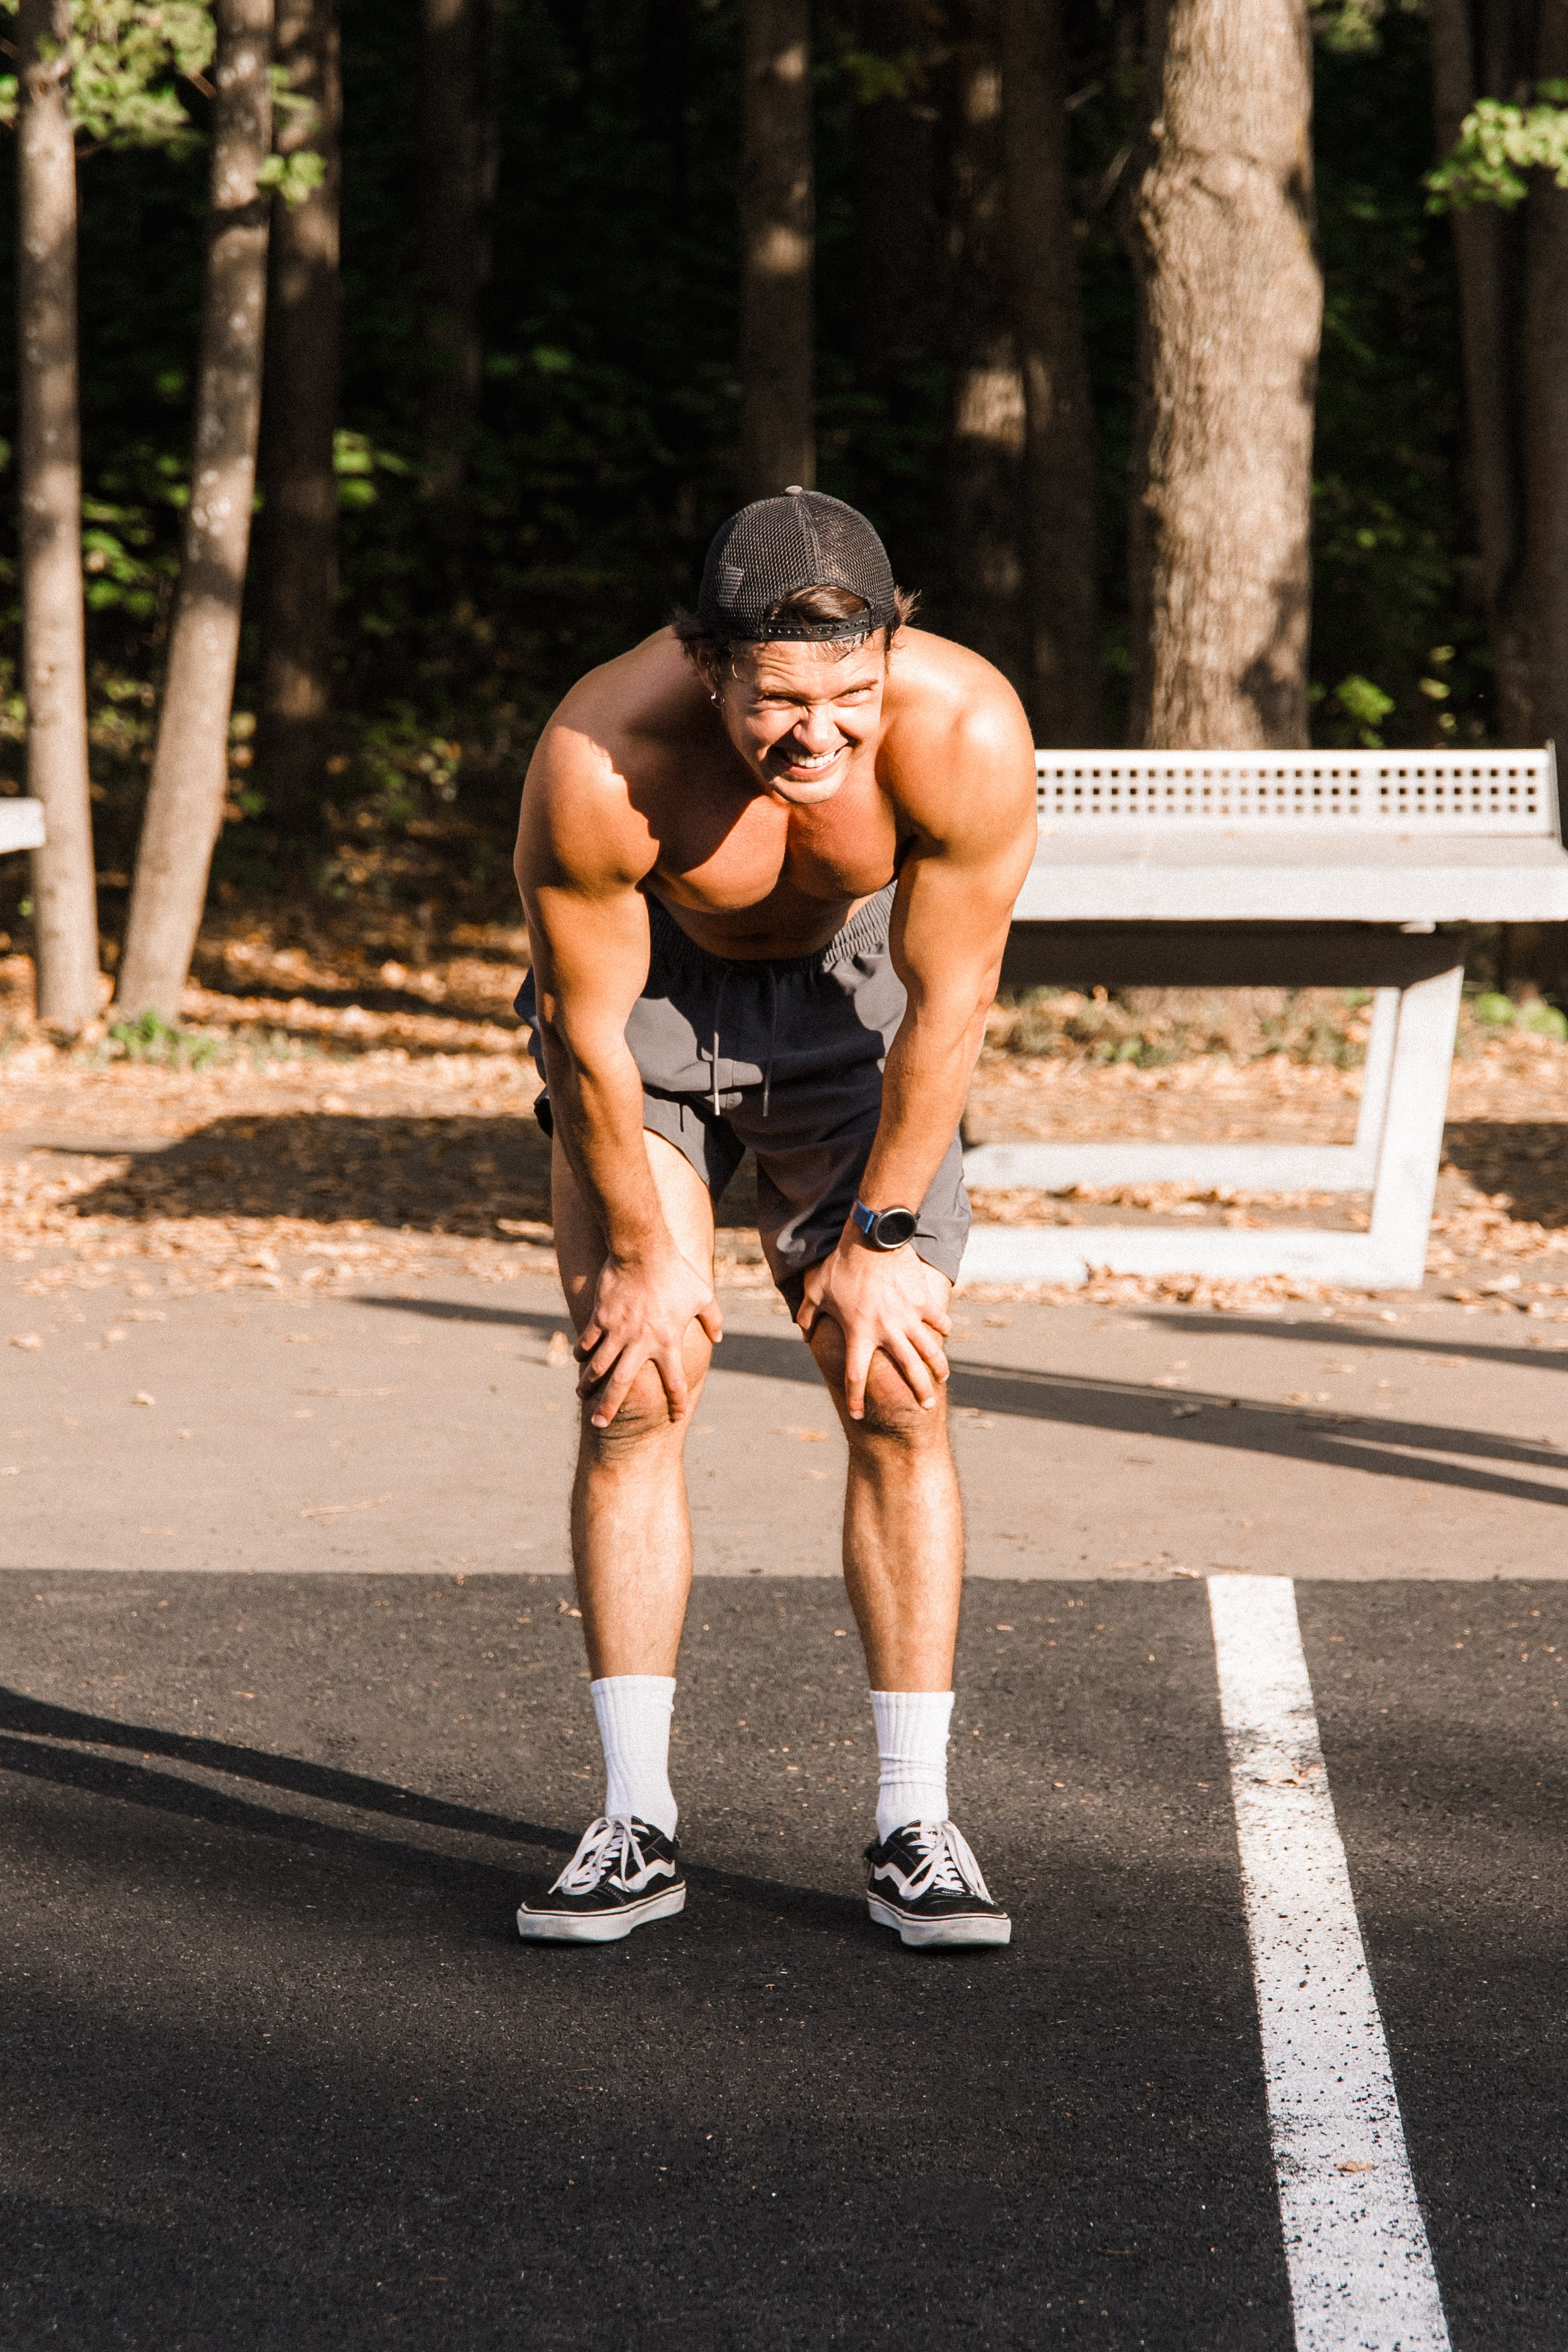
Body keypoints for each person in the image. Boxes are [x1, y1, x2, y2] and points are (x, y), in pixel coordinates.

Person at [511, 490, 1038, 1949]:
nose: (817, 738)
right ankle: (631, 1825)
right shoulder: (605, 756)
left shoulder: (963, 734)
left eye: (849, 698)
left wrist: (875, 1249)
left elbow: (950, 1002)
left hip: (851, 1012)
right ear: (705, 665)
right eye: (778, 703)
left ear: (893, 653)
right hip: (650, 1010)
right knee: (635, 1387)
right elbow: (587, 1032)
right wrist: (640, 1255)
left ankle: (913, 1823)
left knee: (894, 1388)